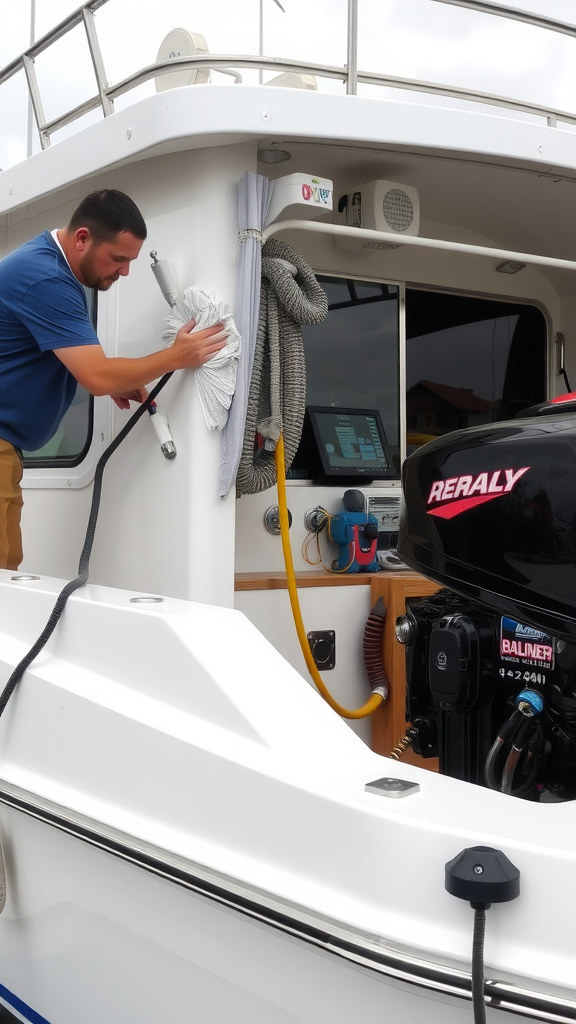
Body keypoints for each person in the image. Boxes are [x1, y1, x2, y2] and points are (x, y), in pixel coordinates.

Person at [0, 188, 227, 570]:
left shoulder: (50, 267)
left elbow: (69, 363)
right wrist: (178, 355)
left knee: (7, 576)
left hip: (8, 450)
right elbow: (97, 375)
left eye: (131, 261)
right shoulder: (46, 278)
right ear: (83, 238)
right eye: (118, 259)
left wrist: (111, 380)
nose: (124, 271)